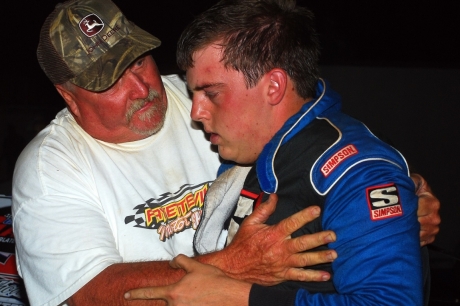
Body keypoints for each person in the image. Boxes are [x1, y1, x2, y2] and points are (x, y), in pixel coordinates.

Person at [12, 0, 439, 305]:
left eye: (137, 61)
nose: (142, 88)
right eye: (110, 80)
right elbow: (90, 295)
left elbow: (311, 128)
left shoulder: (200, 92)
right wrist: (233, 270)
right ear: (67, 95)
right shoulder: (51, 169)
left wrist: (397, 188)